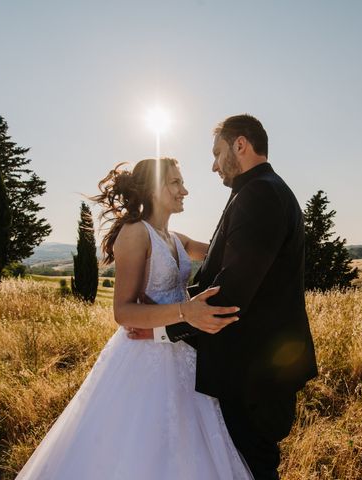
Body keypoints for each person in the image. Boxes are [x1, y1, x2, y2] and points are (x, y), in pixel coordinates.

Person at [16, 158, 253, 479]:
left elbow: (226, 252)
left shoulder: (175, 239)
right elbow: (123, 311)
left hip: (181, 351)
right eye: (175, 182)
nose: (184, 190)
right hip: (143, 357)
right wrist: (187, 311)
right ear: (154, 189)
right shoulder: (134, 234)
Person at [131, 114, 318, 480]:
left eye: (217, 153)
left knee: (253, 468)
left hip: (254, 371)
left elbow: (230, 296)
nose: (213, 165)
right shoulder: (260, 190)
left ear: (241, 145)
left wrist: (162, 331)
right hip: (257, 367)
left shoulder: (260, 193)